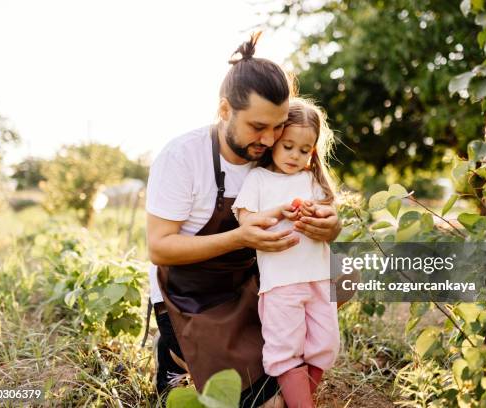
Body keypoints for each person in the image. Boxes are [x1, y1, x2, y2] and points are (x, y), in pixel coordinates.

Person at [145, 33, 341, 408]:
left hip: (251, 283)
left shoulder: (274, 153)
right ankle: (175, 355)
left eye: (278, 126)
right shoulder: (183, 158)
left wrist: (330, 226)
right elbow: (159, 247)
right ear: (224, 111)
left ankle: (277, 345)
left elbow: (318, 199)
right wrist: (240, 237)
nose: (269, 140)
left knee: (343, 275)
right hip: (191, 296)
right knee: (264, 404)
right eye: (257, 126)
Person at [231, 98, 339, 408]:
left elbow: (329, 219)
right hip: (281, 282)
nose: (295, 156)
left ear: (313, 151)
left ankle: (292, 399)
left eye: (304, 150)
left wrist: (316, 215)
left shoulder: (312, 181)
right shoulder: (259, 179)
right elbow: (247, 220)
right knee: (286, 348)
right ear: (275, 140)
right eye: (288, 146)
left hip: (319, 277)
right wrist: (279, 212)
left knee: (326, 344)